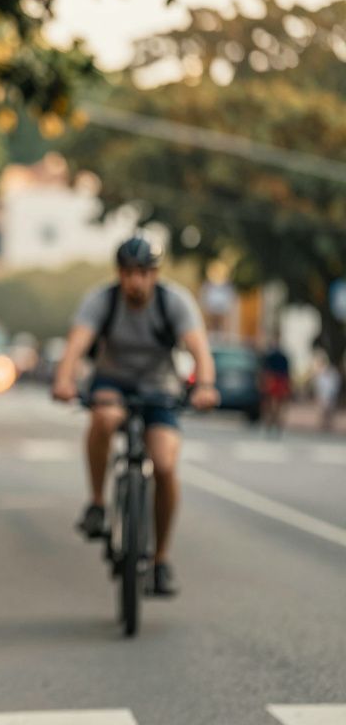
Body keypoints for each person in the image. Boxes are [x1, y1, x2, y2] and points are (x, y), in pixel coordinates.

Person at [51, 235, 219, 598]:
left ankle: (160, 560)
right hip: (112, 382)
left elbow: (200, 350)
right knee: (103, 418)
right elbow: (76, 345)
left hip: (160, 388)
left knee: (165, 465)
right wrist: (64, 380)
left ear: (155, 274)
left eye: (143, 273)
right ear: (119, 273)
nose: (135, 281)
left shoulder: (174, 302)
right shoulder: (102, 300)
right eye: (128, 273)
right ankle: (97, 504)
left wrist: (205, 386)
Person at [259, 335, 291, 436]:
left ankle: (272, 423)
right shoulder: (283, 356)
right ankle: (276, 424)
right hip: (279, 380)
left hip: (274, 380)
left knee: (271, 404)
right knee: (277, 405)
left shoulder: (270, 355)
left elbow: (265, 370)